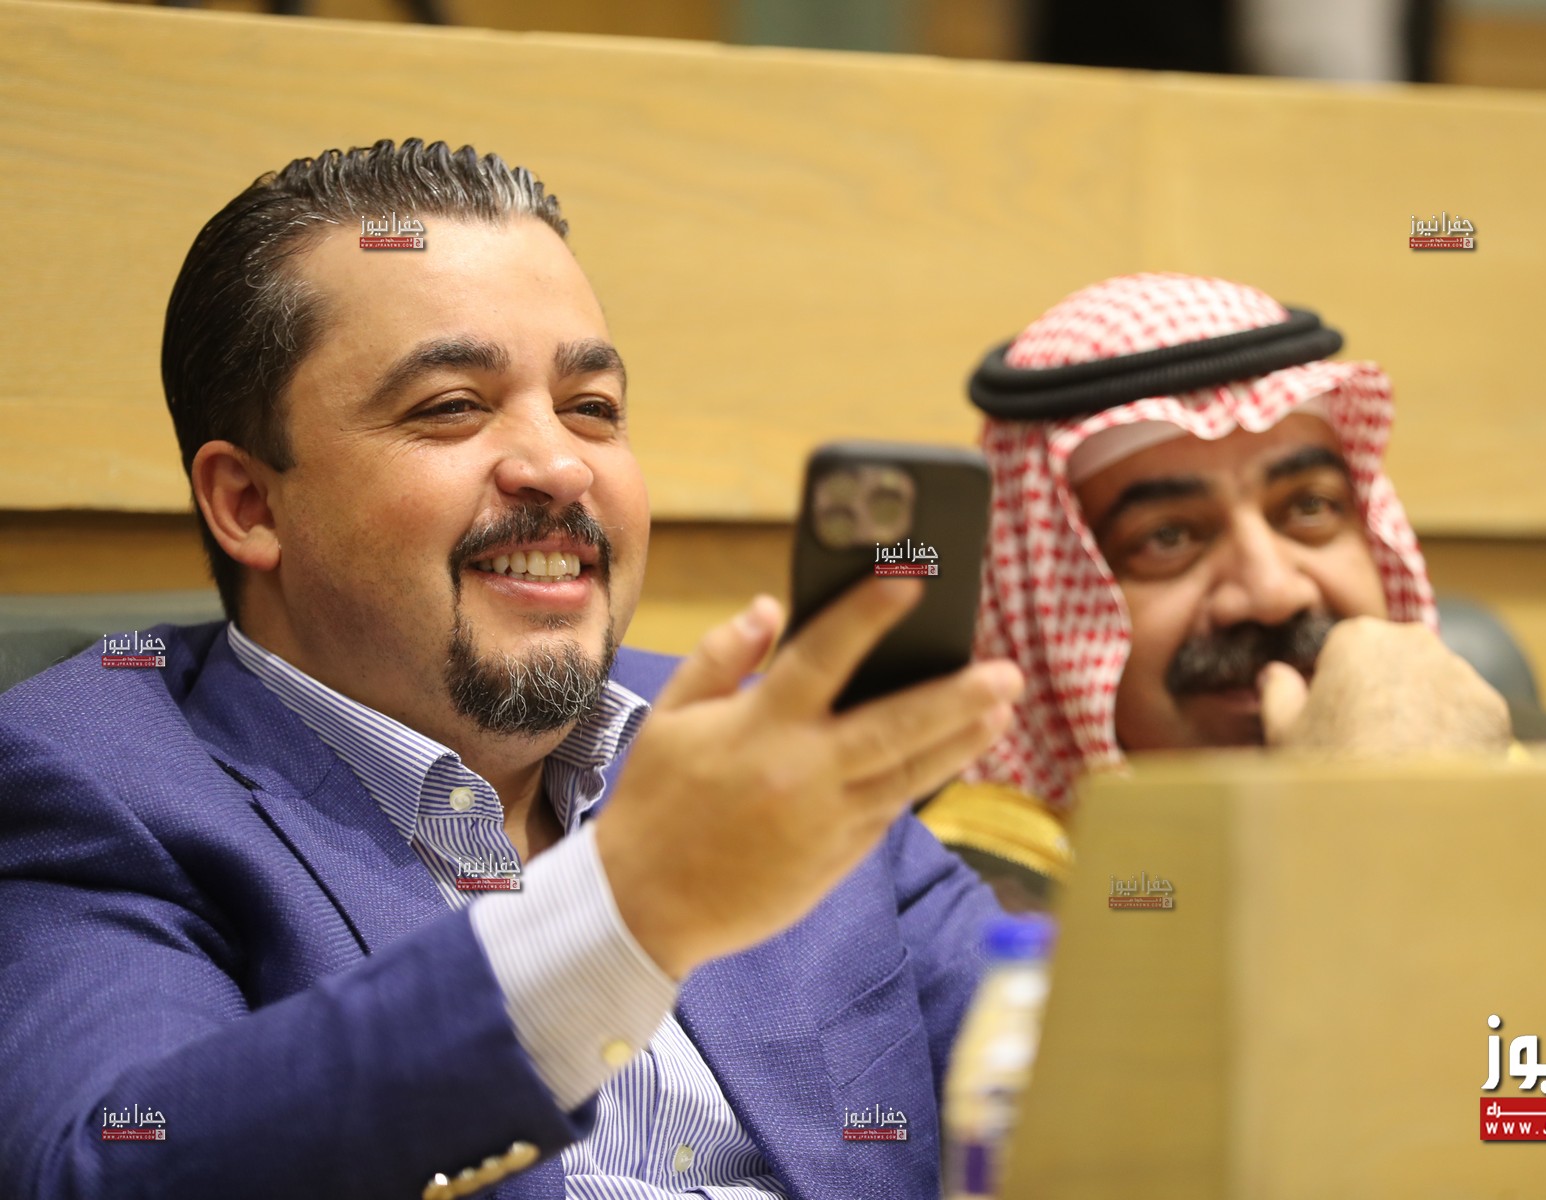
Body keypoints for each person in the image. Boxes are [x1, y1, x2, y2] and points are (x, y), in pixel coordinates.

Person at [0, 139, 1024, 1200]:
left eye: (593, 407)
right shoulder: (94, 784)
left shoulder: (756, 748)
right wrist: (620, 916)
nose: (560, 466)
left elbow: (1069, 1069)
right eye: (451, 405)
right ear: (250, 503)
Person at [919, 273, 1509, 900]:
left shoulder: (1532, 755)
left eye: (1309, 507)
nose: (1273, 594)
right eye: (1168, 537)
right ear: (1041, 613)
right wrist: (1370, 814)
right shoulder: (968, 902)